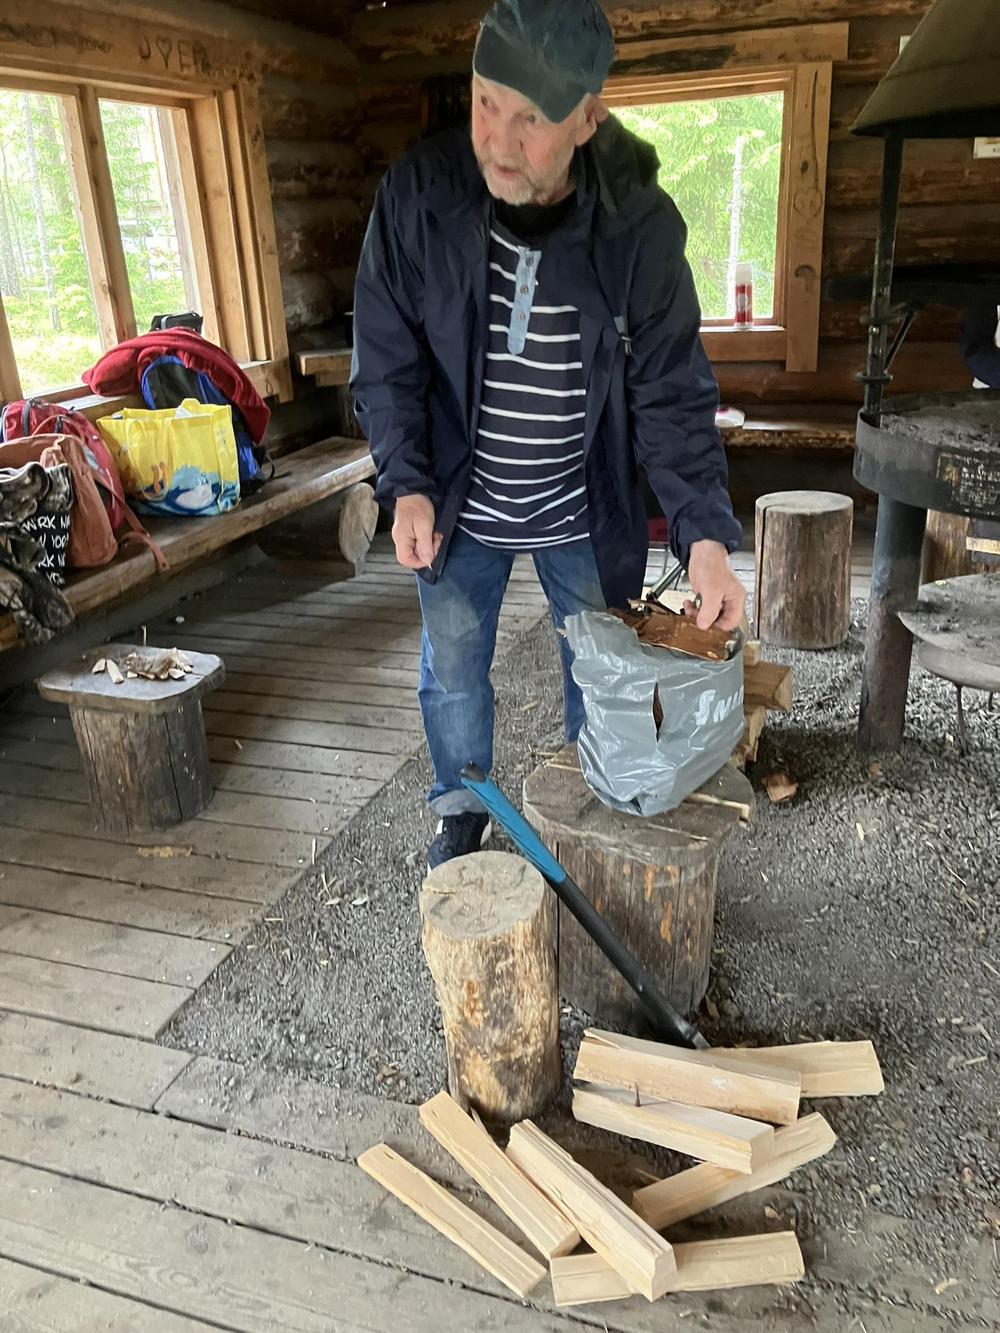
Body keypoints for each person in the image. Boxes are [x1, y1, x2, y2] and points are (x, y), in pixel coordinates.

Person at [351, 0, 745, 869]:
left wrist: (707, 537)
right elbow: (385, 356)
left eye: (531, 118)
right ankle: (463, 804)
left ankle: (586, 799)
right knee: (453, 667)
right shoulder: (418, 199)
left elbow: (672, 392)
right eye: (485, 102)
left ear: (588, 119)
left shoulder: (638, 227)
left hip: (583, 504)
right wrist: (405, 481)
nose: (497, 139)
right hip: (459, 502)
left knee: (600, 670)